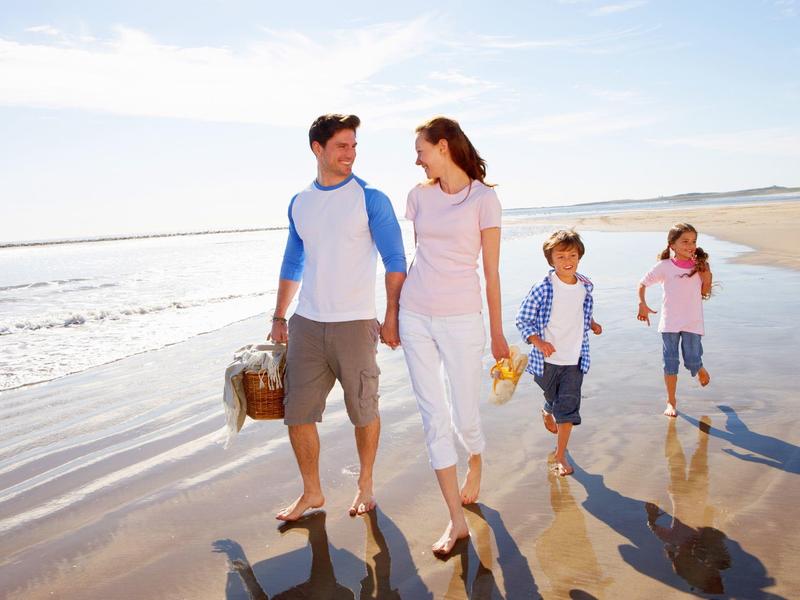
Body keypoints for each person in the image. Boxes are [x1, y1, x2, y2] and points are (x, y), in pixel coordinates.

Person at [269, 114, 406, 521]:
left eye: (354, 146)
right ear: (318, 149)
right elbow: (293, 261)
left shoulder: (371, 198)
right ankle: (311, 492)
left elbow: (395, 260)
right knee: (297, 413)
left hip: (355, 322)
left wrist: (392, 315)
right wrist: (279, 315)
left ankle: (366, 483)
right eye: (342, 146)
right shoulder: (300, 203)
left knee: (363, 410)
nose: (351, 154)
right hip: (307, 323)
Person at [398, 116, 509, 556]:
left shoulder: (485, 199)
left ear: (443, 147)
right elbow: (415, 256)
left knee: (464, 415)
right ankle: (455, 520)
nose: (418, 160)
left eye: (421, 151)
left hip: (463, 319)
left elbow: (492, 273)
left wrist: (497, 333)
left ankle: (476, 459)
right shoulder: (418, 198)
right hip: (415, 315)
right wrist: (392, 313)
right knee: (433, 417)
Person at [516, 230, 602, 477]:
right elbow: (523, 319)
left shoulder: (584, 286)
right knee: (553, 398)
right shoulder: (543, 288)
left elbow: (581, 314)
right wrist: (538, 341)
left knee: (567, 409)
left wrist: (592, 324)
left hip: (575, 358)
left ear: (579, 256)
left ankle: (560, 454)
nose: (567, 261)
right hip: (547, 362)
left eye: (572, 255)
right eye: (561, 256)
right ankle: (547, 408)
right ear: (551, 260)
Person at [637, 222, 712, 417]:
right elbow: (643, 283)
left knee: (692, 362)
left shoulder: (699, 266)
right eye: (685, 241)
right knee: (670, 363)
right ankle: (671, 401)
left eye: (693, 241)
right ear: (672, 245)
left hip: (692, 322)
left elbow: (705, 292)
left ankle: (700, 368)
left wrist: (707, 275)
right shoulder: (664, 267)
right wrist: (642, 304)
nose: (690, 245)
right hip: (669, 323)